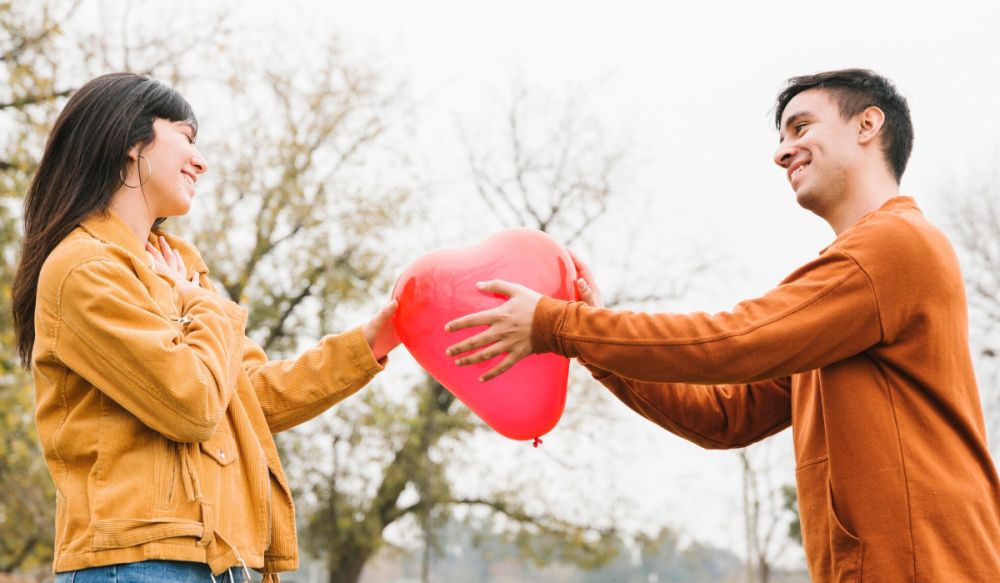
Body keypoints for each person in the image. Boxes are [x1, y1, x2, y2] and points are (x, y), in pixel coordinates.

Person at [443, 69, 1000, 581]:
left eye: (801, 126)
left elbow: (738, 339)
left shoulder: (893, 246)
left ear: (868, 125)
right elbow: (726, 415)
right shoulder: (852, 285)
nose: (783, 152)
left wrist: (560, 325)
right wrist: (591, 343)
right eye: (782, 138)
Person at [10, 73, 400, 582]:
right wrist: (202, 304)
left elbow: (248, 396)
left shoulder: (179, 265)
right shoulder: (85, 268)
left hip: (219, 559)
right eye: (187, 137)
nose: (201, 160)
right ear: (132, 142)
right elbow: (190, 403)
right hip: (138, 563)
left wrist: (373, 341)